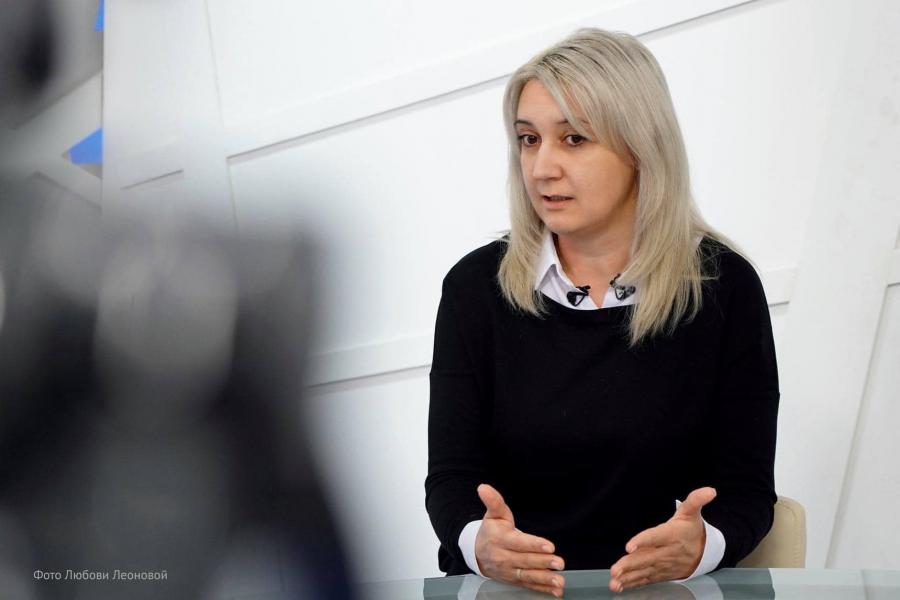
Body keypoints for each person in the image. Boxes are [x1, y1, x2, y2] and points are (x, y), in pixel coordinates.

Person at [424, 28, 778, 597]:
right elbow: (451, 480)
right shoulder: (474, 288)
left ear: (640, 147)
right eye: (528, 139)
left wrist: (703, 546)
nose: (541, 168)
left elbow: (747, 491)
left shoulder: (722, 287)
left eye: (574, 139)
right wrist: (477, 543)